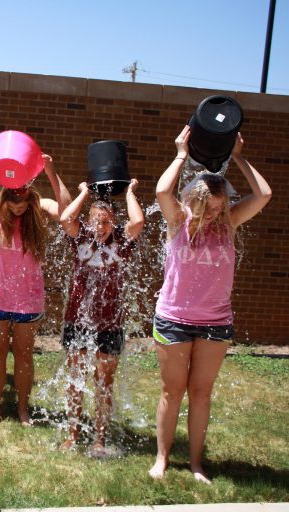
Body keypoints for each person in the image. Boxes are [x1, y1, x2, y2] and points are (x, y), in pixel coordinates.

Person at [149, 126, 271, 483]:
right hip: (173, 319)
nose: (217, 213)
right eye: (210, 207)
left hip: (216, 323)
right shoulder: (178, 222)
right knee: (172, 392)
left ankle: (197, 464)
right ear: (194, 201)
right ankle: (162, 458)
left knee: (201, 394)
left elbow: (264, 193)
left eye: (221, 207)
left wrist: (238, 156)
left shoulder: (229, 222)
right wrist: (180, 154)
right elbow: (161, 190)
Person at [0, 140, 71, 425]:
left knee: (24, 355)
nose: (18, 208)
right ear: (5, 196)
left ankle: (22, 409)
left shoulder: (38, 207)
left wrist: (51, 172)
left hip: (28, 299)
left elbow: (67, 211)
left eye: (23, 203)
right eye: (14, 202)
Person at [58, 179, 144, 455]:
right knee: (75, 379)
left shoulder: (122, 241)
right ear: (89, 220)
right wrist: (83, 192)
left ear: (114, 223)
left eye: (106, 222)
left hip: (110, 323)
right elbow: (65, 218)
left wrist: (130, 192)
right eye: (96, 220)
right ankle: (72, 435)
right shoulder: (81, 235)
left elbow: (139, 222)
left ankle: (99, 439)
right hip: (78, 320)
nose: (101, 227)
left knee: (103, 383)